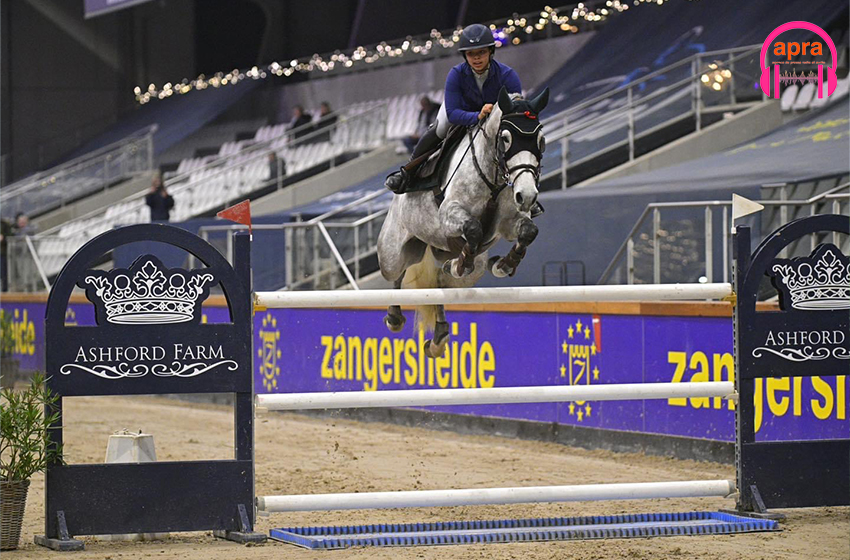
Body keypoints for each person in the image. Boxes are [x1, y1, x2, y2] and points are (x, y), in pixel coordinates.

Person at [385, 23, 521, 195]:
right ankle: (407, 172)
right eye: (471, 54)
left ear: (490, 52)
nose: (477, 58)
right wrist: (477, 116)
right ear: (465, 55)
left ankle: (527, 185)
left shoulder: (507, 75)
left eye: (481, 52)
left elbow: (516, 108)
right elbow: (453, 113)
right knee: (440, 127)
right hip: (461, 113)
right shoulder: (456, 74)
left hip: (495, 118)